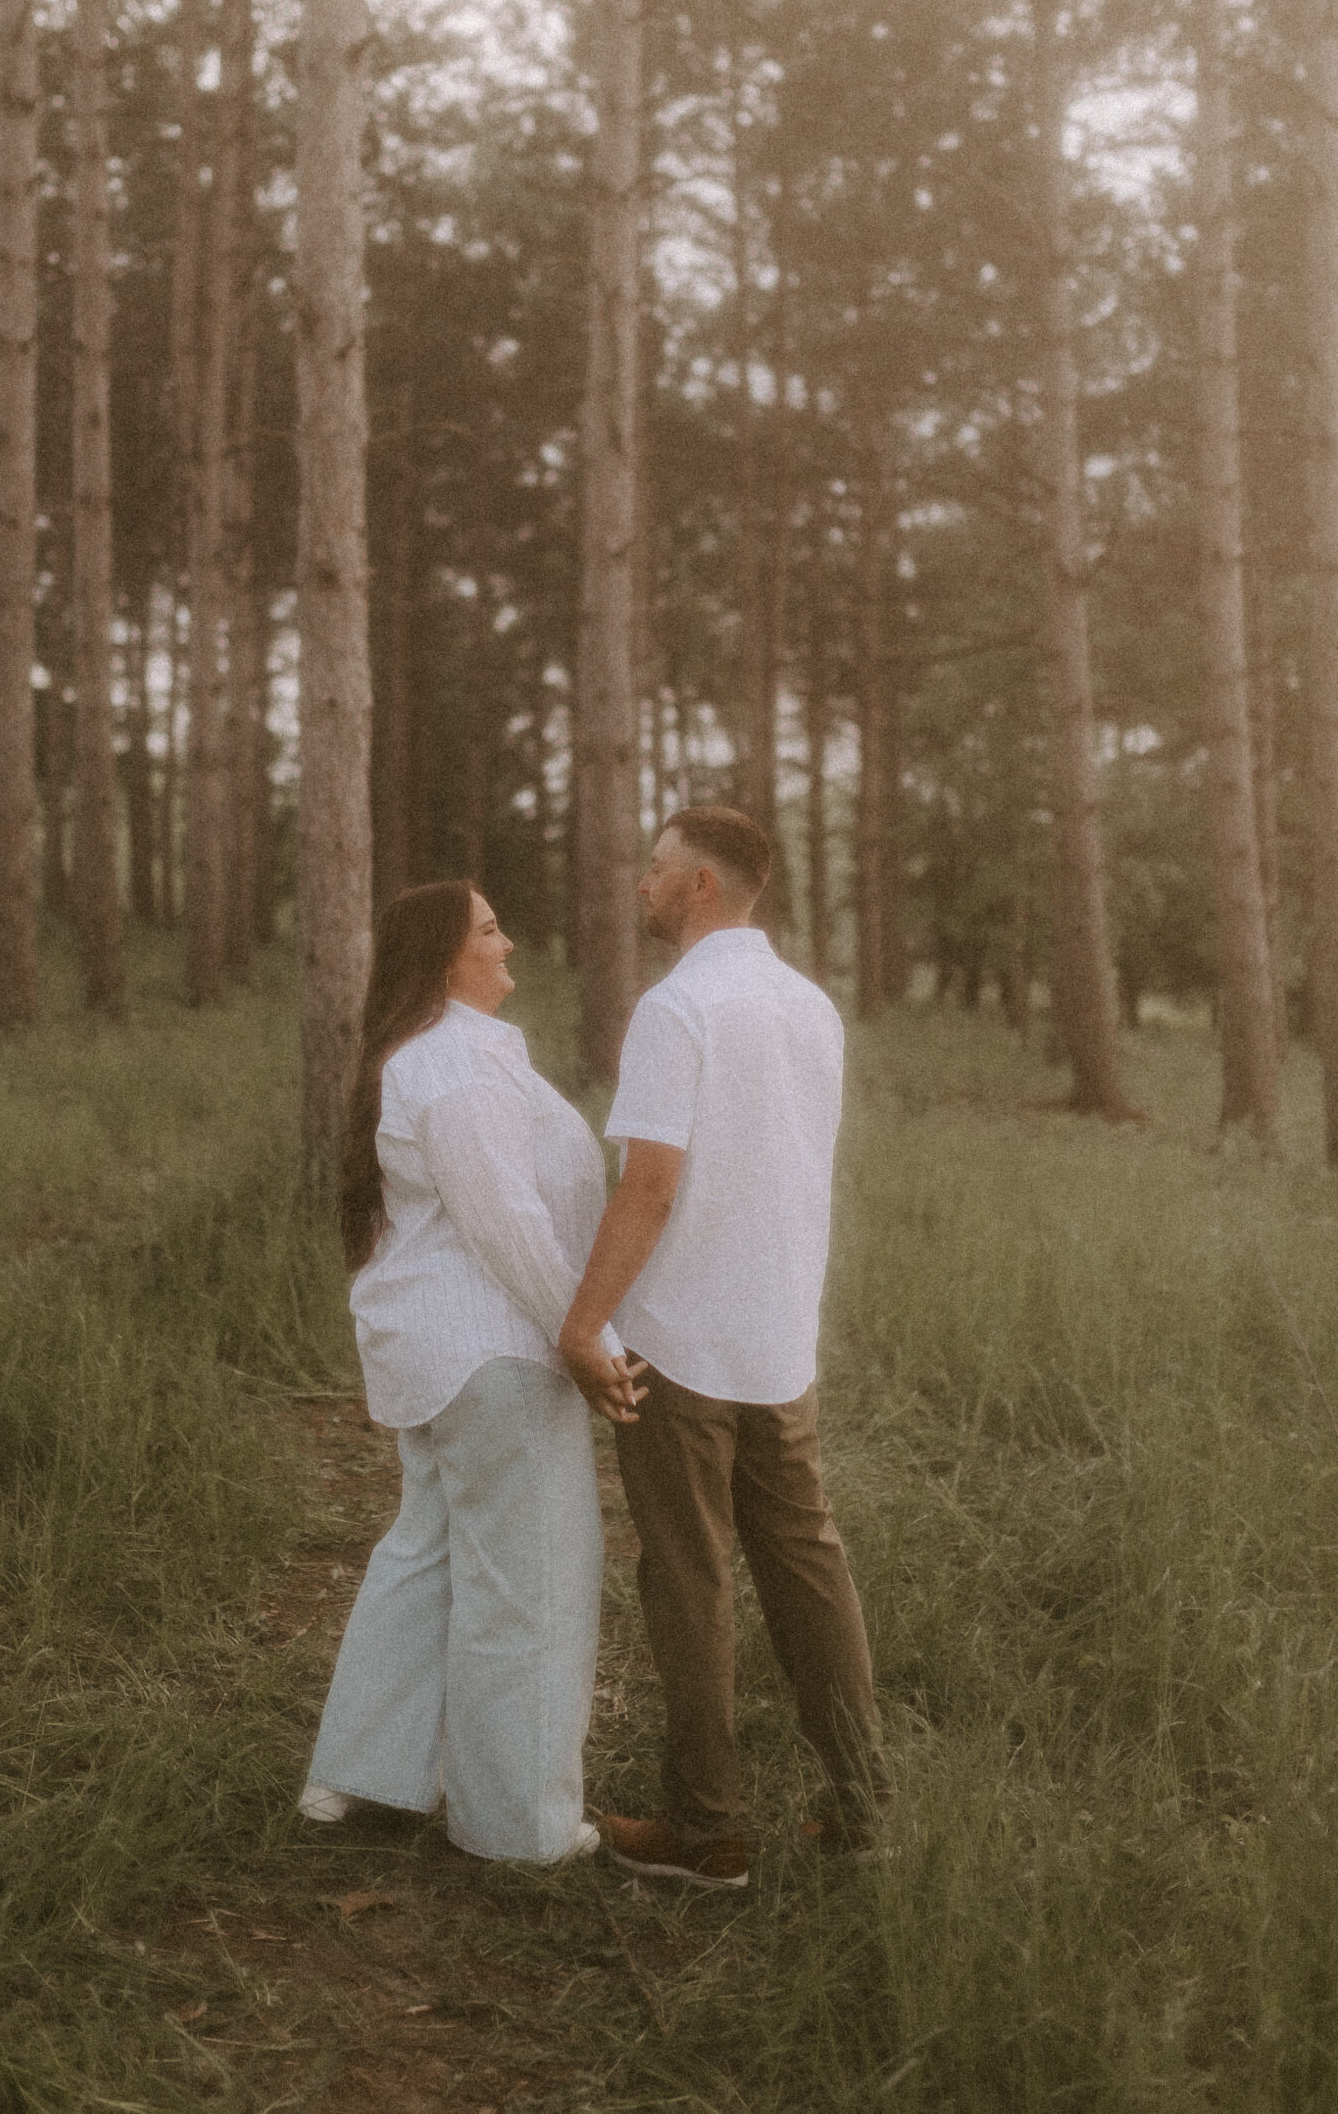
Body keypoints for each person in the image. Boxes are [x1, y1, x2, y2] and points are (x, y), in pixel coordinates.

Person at [558, 807, 891, 1891]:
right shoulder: (811, 1008)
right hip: (777, 1336)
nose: (640, 884)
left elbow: (649, 1185)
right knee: (808, 1565)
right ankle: (865, 1807)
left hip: (682, 1342)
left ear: (701, 884)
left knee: (689, 1575)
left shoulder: (679, 1007)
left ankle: (710, 1831)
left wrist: (582, 1322)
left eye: (653, 869)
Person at [299, 880, 621, 1865]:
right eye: (489, 927)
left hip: (445, 1355)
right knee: (529, 1581)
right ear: (446, 957)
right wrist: (585, 1335)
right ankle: (520, 1828)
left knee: (430, 1549)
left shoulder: (438, 1054)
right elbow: (505, 1220)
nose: (508, 936)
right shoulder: (457, 1062)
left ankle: (359, 1775)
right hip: (493, 1351)